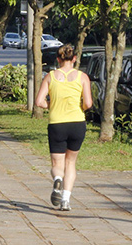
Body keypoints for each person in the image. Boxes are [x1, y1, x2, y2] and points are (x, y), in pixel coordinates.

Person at [34, 44, 92, 211]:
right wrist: (80, 107)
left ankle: (57, 179)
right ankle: (65, 200)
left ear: (58, 59)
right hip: (77, 123)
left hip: (57, 124)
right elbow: (88, 103)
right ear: (74, 59)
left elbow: (39, 102)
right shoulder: (82, 77)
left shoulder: (50, 76)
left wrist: (51, 105)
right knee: (71, 162)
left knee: (57, 162)